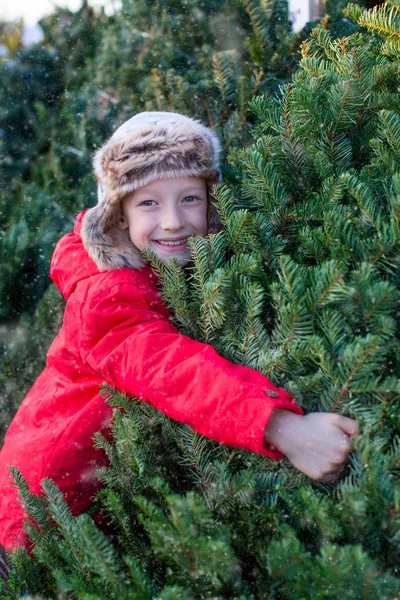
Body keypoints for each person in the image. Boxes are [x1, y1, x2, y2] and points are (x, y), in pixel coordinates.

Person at [0, 112, 360, 552]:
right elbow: (170, 370)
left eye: (189, 198)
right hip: (37, 522)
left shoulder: (162, 266)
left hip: (100, 499)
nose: (172, 221)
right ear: (116, 217)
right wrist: (285, 429)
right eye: (148, 203)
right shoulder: (104, 296)